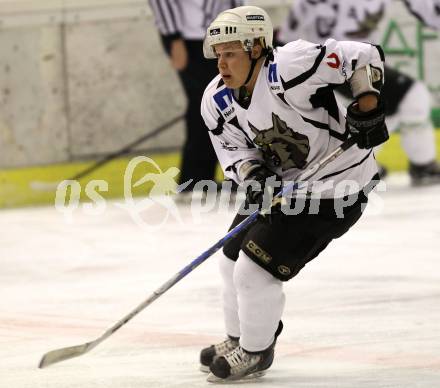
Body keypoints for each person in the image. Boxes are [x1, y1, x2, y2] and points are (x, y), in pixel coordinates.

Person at [199, 5, 388, 382]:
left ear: (256, 48)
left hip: (338, 187)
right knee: (230, 260)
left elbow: (361, 55)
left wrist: (366, 103)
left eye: (231, 53)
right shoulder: (217, 99)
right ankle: (240, 337)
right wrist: (255, 177)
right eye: (219, 54)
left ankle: (256, 351)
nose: (222, 63)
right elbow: (235, 152)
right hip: (287, 186)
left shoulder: (289, 66)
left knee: (255, 272)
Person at [278, 0, 440, 186]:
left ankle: (359, 164)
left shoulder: (304, 4)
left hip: (314, 70)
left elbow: (285, 41)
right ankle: (420, 165)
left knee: (387, 105)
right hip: (345, 65)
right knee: (412, 96)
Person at [148, 0, 243, 195]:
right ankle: (194, 180)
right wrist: (174, 38)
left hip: (221, 34)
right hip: (188, 38)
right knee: (206, 103)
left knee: (222, 104)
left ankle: (204, 178)